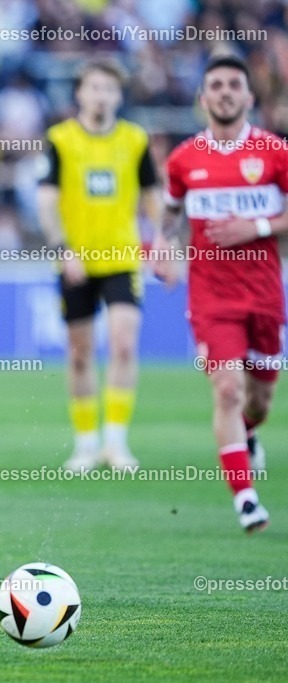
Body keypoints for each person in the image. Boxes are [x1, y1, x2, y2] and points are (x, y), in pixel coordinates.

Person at [157, 53, 284, 533]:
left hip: (265, 293)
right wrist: (164, 247)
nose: (226, 92)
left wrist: (254, 225)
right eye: (216, 85)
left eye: (234, 84)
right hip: (211, 296)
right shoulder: (184, 159)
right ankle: (246, 498)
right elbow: (170, 214)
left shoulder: (274, 152)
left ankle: (248, 434)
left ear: (250, 97)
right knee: (227, 389)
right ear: (202, 97)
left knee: (260, 401)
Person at [36, 58, 163, 472]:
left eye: (109, 88)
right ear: (79, 93)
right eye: (94, 87)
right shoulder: (61, 139)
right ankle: (86, 443)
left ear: (119, 95)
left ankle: (116, 442)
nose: (101, 95)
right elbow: (47, 200)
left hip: (122, 257)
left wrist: (162, 238)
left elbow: (151, 194)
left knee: (124, 344)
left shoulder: (134, 139)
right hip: (76, 261)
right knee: (80, 353)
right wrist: (62, 249)